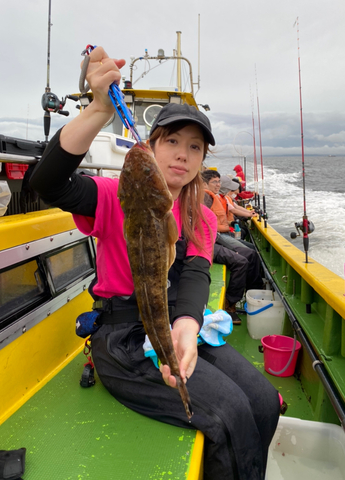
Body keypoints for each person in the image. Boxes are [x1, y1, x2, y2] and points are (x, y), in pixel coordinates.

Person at [30, 46, 279, 480]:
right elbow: (49, 183)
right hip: (123, 340)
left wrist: (187, 325)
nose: (182, 154)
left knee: (261, 399)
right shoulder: (113, 196)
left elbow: (197, 272)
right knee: (228, 415)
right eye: (172, 142)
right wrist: (97, 110)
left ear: (202, 160)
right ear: (151, 146)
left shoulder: (201, 214)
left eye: (194, 147)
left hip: (171, 323)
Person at [201, 169, 264, 291]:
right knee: (249, 254)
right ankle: (252, 288)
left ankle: (253, 285)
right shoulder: (205, 198)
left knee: (250, 251)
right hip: (216, 237)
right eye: (214, 182)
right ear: (204, 184)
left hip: (219, 234)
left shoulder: (217, 197)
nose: (218, 185)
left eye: (219, 182)